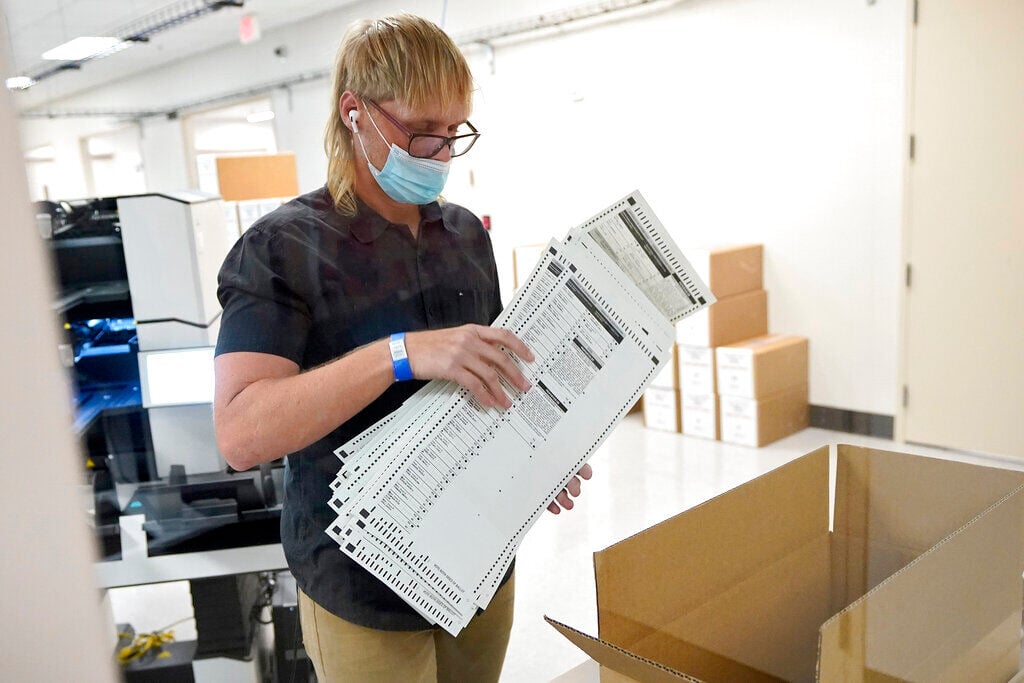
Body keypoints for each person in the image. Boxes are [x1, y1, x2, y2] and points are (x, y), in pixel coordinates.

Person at [213, 14, 591, 682]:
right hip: (363, 590)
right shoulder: (281, 250)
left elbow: (490, 377)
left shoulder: (465, 234)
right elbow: (241, 432)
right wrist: (399, 353)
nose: (439, 153)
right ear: (354, 113)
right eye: (421, 131)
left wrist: (542, 453)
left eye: (453, 134)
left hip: (478, 562)